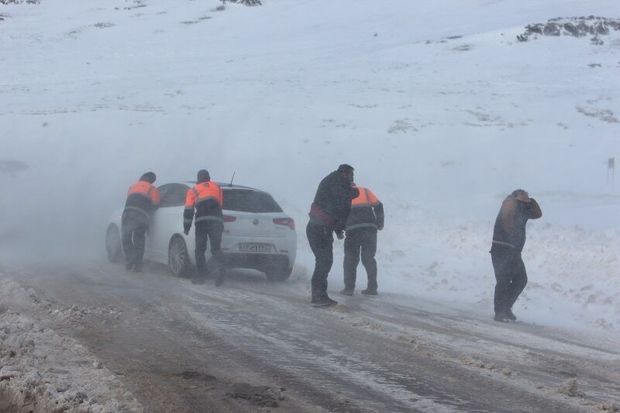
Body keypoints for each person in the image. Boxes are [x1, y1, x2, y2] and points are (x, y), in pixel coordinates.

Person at [307, 164, 359, 306]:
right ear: (344, 174)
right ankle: (318, 296)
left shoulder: (334, 182)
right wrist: (353, 191)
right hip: (319, 227)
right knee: (324, 261)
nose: (353, 178)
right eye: (351, 175)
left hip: (321, 226)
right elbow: (340, 202)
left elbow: (336, 208)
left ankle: (320, 295)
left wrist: (338, 230)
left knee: (324, 261)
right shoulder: (336, 182)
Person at [490, 189, 542, 322]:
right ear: (517, 196)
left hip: (514, 252)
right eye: (524, 194)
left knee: (521, 280)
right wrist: (516, 199)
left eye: (528, 195)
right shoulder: (510, 203)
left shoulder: (523, 208)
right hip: (502, 249)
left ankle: (506, 308)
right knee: (503, 281)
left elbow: (537, 214)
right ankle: (499, 312)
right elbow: (507, 217)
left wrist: (531, 201)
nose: (527, 196)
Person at [341, 185, 384, 296]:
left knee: (350, 259)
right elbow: (379, 205)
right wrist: (380, 223)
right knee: (368, 258)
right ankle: (372, 288)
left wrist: (339, 229)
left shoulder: (342, 194)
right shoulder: (364, 191)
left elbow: (338, 214)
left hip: (352, 230)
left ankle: (349, 289)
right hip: (369, 228)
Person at [184, 169, 225, 285]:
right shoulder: (217, 188)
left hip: (202, 221)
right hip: (217, 220)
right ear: (209, 177)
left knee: (200, 250)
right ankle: (221, 270)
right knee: (216, 248)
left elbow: (188, 210)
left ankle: (201, 276)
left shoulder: (193, 190)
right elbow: (220, 205)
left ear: (198, 178)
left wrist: (186, 227)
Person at [122, 172, 160, 272]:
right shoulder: (152, 189)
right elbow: (155, 205)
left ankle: (130, 258)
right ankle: (137, 265)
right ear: (151, 180)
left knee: (126, 237)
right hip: (141, 215)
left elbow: (128, 200)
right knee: (139, 239)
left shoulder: (132, 186)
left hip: (127, 213)